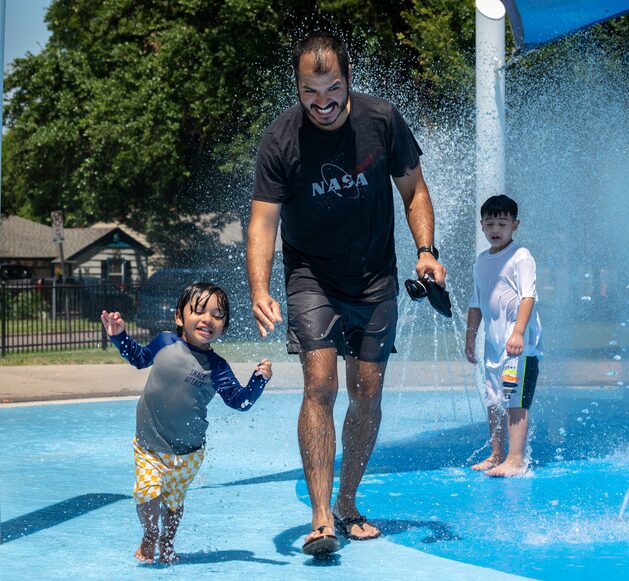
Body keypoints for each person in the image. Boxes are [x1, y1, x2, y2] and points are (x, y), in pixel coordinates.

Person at [247, 31, 446, 555]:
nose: (322, 102)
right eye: (310, 91)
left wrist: (427, 250)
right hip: (312, 275)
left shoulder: (381, 121)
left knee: (368, 391)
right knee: (320, 385)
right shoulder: (280, 140)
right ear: (297, 87)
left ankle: (348, 502)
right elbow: (263, 223)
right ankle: (320, 518)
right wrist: (259, 286)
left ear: (348, 80)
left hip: (375, 275)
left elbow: (415, 190)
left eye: (331, 88)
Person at [100, 282, 272, 564]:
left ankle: (167, 541)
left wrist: (258, 381)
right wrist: (120, 337)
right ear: (180, 317)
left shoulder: (217, 368)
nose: (207, 319)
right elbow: (138, 358)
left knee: (173, 501)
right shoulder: (165, 342)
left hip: (189, 452)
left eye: (217, 315)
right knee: (147, 490)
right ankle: (150, 534)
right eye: (199, 311)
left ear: (224, 327)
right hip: (149, 445)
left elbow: (239, 401)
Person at [465, 195, 543, 477]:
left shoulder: (521, 256)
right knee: (494, 399)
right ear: (482, 226)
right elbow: (476, 303)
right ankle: (497, 453)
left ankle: (517, 459)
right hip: (494, 345)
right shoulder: (482, 260)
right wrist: (470, 337)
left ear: (515, 225)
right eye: (489, 223)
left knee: (514, 398)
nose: (495, 228)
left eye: (502, 223)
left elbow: (527, 297)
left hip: (519, 347)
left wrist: (519, 333)